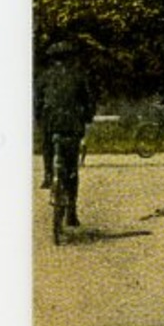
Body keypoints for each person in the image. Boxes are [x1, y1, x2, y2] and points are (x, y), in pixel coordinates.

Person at [33, 42, 97, 231]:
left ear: (53, 59)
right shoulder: (79, 77)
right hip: (72, 125)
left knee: (47, 144)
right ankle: (71, 212)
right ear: (70, 57)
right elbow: (89, 103)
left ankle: (47, 174)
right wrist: (86, 118)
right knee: (71, 169)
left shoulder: (43, 78)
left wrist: (39, 121)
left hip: (50, 124)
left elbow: (37, 103)